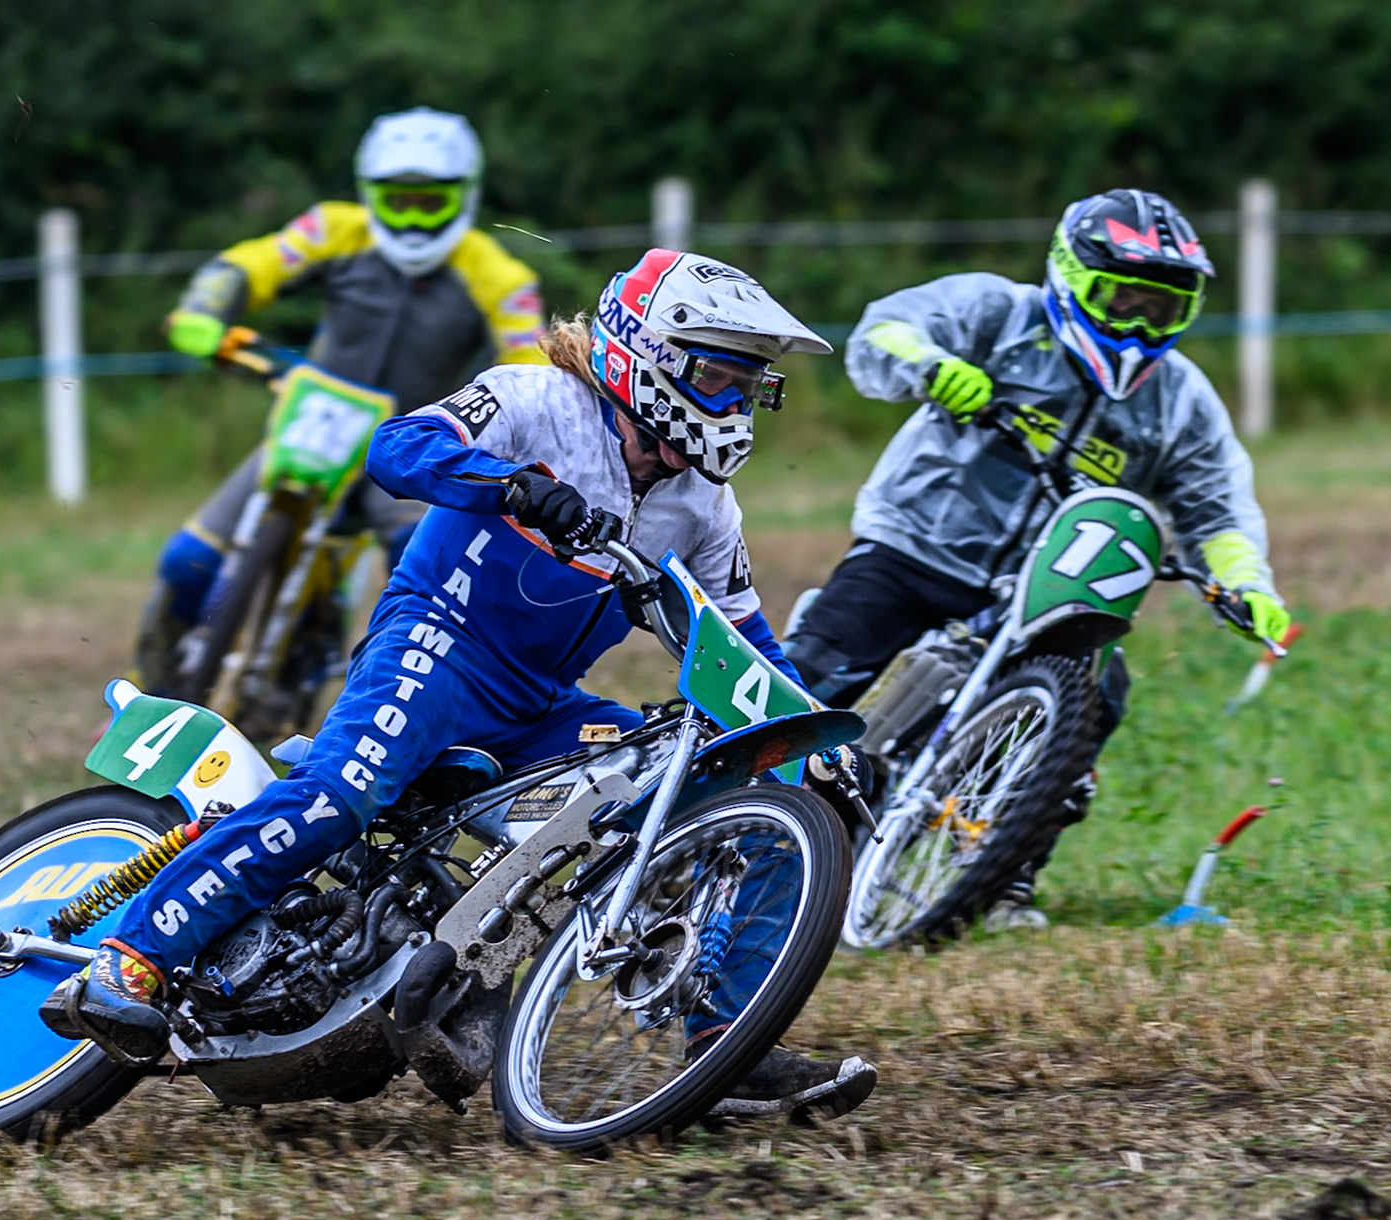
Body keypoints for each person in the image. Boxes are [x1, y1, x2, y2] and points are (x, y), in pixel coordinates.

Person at [47, 249, 878, 1121]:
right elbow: (396, 448)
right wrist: (510, 487)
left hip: (538, 704)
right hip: (433, 645)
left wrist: (810, 738)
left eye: (750, 387)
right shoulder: (534, 402)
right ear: (651, 356)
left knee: (715, 779)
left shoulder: (704, 508)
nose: (737, 405)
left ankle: (722, 1042)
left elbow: (743, 642)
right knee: (338, 797)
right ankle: (132, 956)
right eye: (720, 378)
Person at [783, 188, 1292, 927]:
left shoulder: (1180, 401)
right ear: (1070, 274)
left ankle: (1004, 872)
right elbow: (883, 332)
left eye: (1162, 308)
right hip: (919, 543)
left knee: (1100, 693)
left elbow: (1218, 507)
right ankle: (698, 813)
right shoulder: (996, 312)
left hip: (1049, 584)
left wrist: (1246, 582)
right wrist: (930, 366)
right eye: (1122, 300)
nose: (1139, 325)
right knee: (812, 675)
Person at [136, 106, 549, 689]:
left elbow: (528, 355)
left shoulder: (498, 273)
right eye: (396, 201)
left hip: (412, 446)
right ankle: (149, 691)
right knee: (187, 561)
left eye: (430, 202)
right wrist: (205, 308)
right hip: (314, 424)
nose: (411, 220)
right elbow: (250, 263)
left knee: (421, 566)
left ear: (465, 196)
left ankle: (399, 698)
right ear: (367, 194)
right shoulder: (332, 229)